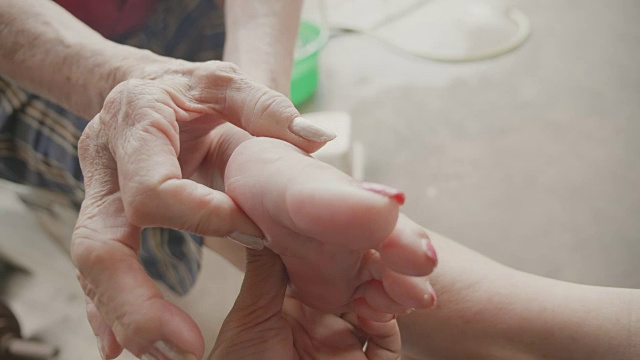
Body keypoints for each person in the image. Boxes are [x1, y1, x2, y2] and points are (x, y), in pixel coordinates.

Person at [2, 0, 437, 358]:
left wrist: (251, 108)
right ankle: (257, 164)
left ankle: (254, 158)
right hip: (23, 53)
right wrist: (128, 77)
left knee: (205, 174)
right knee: (165, 179)